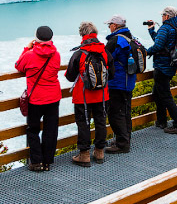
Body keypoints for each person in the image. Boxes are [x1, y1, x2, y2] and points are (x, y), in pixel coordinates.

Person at [16, 26, 63, 170]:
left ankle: (36, 162)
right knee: (51, 130)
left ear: (36, 38)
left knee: (33, 129)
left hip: (36, 98)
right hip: (53, 97)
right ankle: (47, 161)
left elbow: (19, 66)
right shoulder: (56, 55)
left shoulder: (30, 55)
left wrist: (27, 48)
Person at [66, 22, 111, 165]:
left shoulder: (79, 53)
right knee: (100, 122)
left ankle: (84, 155)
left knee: (84, 124)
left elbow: (70, 76)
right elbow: (113, 73)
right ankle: (99, 152)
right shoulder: (105, 51)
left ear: (82, 35)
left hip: (82, 96)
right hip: (103, 95)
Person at [146, 7, 177, 134]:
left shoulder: (165, 28)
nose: (162, 17)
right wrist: (151, 30)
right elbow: (161, 43)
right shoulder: (175, 27)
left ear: (167, 16)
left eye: (163, 15)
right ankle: (161, 120)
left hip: (162, 66)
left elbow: (158, 46)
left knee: (165, 95)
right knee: (158, 94)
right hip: (170, 65)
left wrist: (145, 52)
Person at [104, 17, 137, 152]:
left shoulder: (116, 40)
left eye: (109, 25)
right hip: (128, 81)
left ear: (115, 25)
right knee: (125, 111)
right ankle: (125, 138)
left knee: (115, 113)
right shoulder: (130, 37)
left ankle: (122, 144)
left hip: (117, 82)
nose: (109, 27)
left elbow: (105, 57)